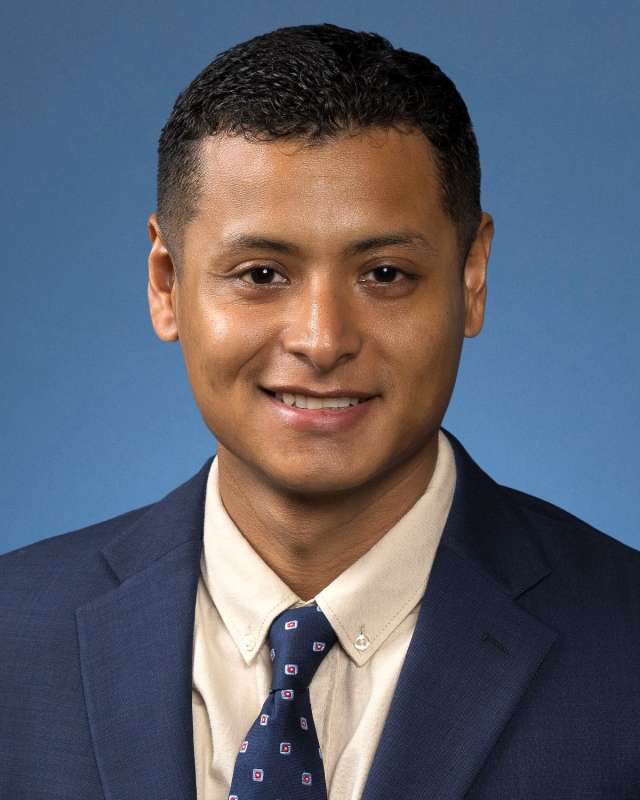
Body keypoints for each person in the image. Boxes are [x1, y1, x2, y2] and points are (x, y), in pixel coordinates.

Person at [1, 21, 638, 800]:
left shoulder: (625, 647)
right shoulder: (12, 639)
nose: (323, 339)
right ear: (166, 283)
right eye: (261, 273)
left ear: (471, 276)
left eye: (385, 274)